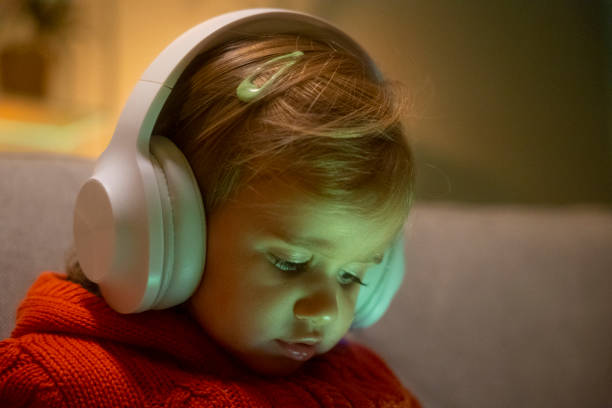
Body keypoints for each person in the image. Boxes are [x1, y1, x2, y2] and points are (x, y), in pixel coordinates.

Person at [0, 9, 421, 407]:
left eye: (352, 276)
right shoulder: (54, 385)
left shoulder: (368, 384)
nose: (327, 311)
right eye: (290, 263)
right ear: (169, 230)